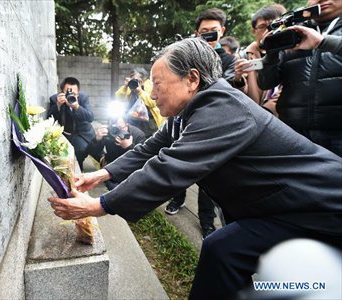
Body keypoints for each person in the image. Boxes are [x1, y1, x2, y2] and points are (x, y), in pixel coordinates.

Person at [48, 38, 342, 299]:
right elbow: (151, 148)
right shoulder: (187, 112)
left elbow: (170, 167)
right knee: (224, 252)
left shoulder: (223, 106)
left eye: (158, 84)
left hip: (321, 206)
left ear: (191, 79)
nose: (152, 95)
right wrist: (100, 175)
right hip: (283, 208)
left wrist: (99, 204)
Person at [166, 8, 239, 238]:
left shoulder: (230, 61)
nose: (208, 37)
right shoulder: (186, 59)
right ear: (196, 34)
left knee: (211, 178)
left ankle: (207, 222)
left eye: (213, 32)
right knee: (180, 163)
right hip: (186, 122)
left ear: (222, 32)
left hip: (215, 127)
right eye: (203, 33)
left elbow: (227, 92)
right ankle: (177, 198)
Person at [258, 0, 342, 157]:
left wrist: (323, 42)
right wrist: (271, 53)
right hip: (295, 134)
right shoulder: (292, 30)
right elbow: (266, 83)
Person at [233, 4, 287, 107]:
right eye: (262, 27)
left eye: (274, 25)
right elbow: (239, 97)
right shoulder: (244, 56)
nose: (269, 30)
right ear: (253, 31)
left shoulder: (292, 51)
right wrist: (238, 80)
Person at [48, 77, 95, 171]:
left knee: (81, 150)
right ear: (61, 92)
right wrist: (58, 105)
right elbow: (50, 119)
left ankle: (80, 166)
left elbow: (90, 117)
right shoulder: (55, 99)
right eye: (68, 93)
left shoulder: (83, 98)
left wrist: (77, 107)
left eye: (74, 93)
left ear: (78, 92)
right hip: (64, 133)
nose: (70, 95)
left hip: (80, 133)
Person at [86, 115, 146, 190]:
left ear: (127, 124)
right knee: (113, 187)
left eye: (120, 128)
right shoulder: (108, 132)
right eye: (115, 128)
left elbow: (142, 161)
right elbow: (92, 151)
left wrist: (129, 146)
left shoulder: (137, 135)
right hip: (112, 164)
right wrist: (97, 139)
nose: (117, 132)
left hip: (130, 167)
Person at [115, 68, 165, 137]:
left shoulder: (150, 85)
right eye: (131, 77)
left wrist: (140, 91)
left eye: (134, 77)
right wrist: (125, 86)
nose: (132, 79)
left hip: (149, 123)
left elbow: (153, 103)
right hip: (132, 121)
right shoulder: (131, 86)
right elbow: (118, 98)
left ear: (143, 78)